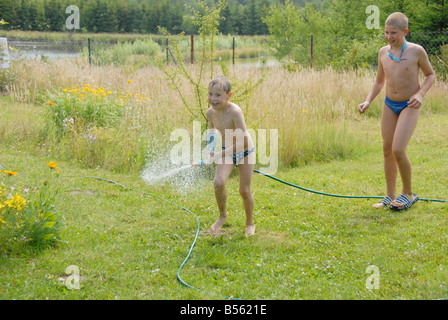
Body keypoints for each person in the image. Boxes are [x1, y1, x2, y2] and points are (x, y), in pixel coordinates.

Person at [358, 12, 435, 210]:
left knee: (398, 149)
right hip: (389, 104)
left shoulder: (417, 51)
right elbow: (379, 81)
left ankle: (408, 194)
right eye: (386, 32)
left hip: (409, 105)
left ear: (405, 32)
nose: (389, 37)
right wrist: (367, 100)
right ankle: (390, 196)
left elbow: (430, 75)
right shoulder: (383, 52)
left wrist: (420, 95)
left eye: (394, 33)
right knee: (387, 150)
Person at [202, 75, 256, 237]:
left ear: (228, 95)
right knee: (218, 182)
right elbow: (212, 130)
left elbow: (244, 142)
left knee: (244, 191)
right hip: (227, 151)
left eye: (218, 95)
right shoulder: (210, 113)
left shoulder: (235, 112)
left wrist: (219, 153)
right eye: (211, 94)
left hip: (245, 151)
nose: (213, 98)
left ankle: (249, 223)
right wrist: (210, 149)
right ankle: (222, 216)